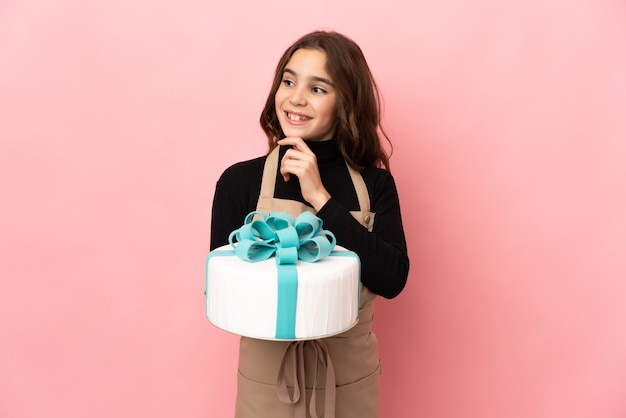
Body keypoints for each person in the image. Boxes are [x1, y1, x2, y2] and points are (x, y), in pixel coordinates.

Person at [210, 30, 409, 418]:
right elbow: (225, 292)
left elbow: (393, 279)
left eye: (318, 89)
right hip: (268, 384)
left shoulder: (375, 184)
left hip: (349, 381)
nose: (295, 98)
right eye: (288, 81)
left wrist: (321, 199)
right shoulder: (239, 182)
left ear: (346, 103)